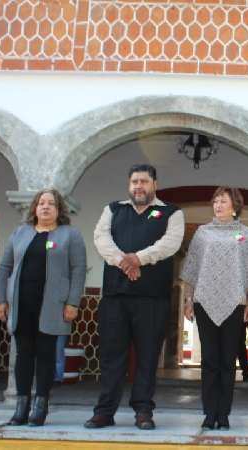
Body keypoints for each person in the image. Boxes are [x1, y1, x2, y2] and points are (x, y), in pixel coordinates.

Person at [86, 164, 185, 430]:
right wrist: (123, 262)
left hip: (152, 299)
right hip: (116, 297)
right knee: (111, 356)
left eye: (143, 181)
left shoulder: (171, 213)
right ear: (128, 185)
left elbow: (170, 244)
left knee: (148, 357)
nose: (138, 186)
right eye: (134, 182)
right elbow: (101, 238)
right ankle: (105, 411)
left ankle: (143, 411)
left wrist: (138, 259)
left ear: (155, 184)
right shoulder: (113, 209)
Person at [0, 189, 87, 426]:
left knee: (46, 356)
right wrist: (1, 300)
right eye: (41, 203)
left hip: (53, 305)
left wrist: (73, 302)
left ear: (59, 210)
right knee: (23, 355)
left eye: (51, 203)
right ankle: (21, 406)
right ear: (34, 208)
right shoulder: (20, 233)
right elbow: (5, 267)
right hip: (21, 303)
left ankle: (41, 405)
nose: (45, 207)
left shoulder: (70, 235)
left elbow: (78, 270)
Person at [180, 187, 248, 430]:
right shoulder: (202, 233)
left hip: (235, 304)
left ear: (234, 205)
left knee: (228, 361)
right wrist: (188, 300)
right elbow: (192, 268)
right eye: (215, 201)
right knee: (210, 361)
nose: (218, 205)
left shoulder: (245, 234)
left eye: (223, 201)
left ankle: (224, 414)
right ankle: (209, 413)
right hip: (204, 302)